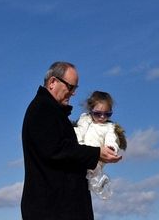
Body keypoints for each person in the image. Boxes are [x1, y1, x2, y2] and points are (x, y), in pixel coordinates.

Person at [21, 61, 122, 220]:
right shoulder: (43, 109)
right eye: (70, 87)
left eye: (76, 88)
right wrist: (96, 153)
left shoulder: (51, 111)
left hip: (59, 207)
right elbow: (55, 150)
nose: (73, 93)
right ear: (53, 82)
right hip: (53, 210)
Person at [74, 91, 127, 200]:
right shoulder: (85, 119)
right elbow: (79, 131)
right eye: (98, 113)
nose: (102, 117)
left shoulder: (109, 127)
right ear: (91, 110)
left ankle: (98, 184)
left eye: (107, 114)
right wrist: (76, 144)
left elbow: (112, 139)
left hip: (97, 158)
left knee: (94, 172)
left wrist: (111, 148)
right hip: (82, 152)